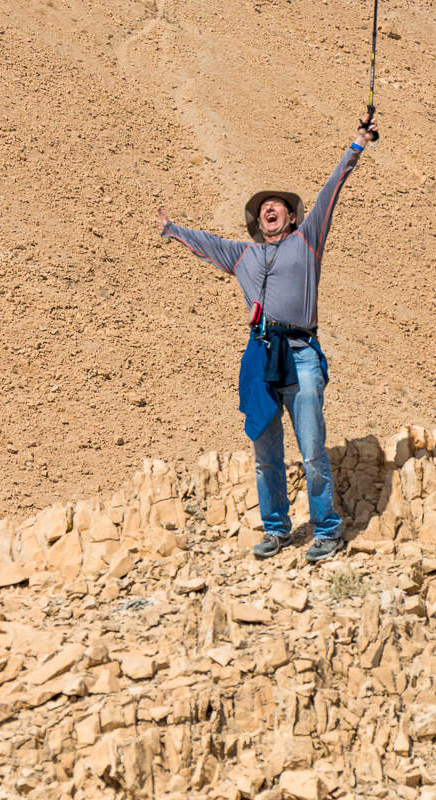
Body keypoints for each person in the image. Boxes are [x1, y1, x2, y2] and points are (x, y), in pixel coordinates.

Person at [156, 118, 378, 563]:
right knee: (265, 449)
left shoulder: (307, 241)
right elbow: (205, 241)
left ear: (292, 216)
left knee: (312, 447)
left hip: (300, 354)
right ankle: (276, 530)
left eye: (276, 206)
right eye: (263, 208)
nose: (269, 210)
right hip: (260, 356)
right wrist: (171, 228)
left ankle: (327, 530)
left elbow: (331, 191)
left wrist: (356, 145)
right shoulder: (242, 255)